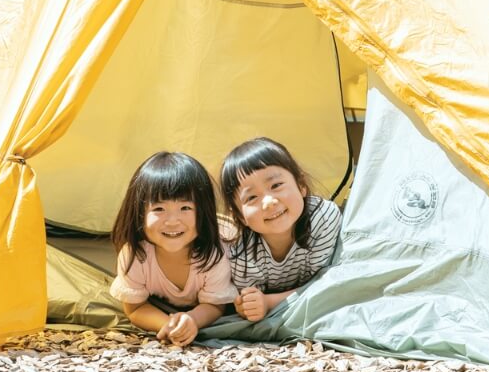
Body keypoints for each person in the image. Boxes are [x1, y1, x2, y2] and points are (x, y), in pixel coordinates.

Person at [110, 152, 237, 346]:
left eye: (185, 208)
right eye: (159, 209)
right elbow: (135, 309)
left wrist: (193, 320)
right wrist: (170, 325)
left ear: (203, 211)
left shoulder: (216, 253)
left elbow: (215, 305)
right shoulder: (134, 255)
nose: (172, 221)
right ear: (139, 214)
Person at [220, 137, 342, 322]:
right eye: (252, 197)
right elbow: (252, 301)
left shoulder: (322, 217)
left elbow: (327, 286)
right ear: (239, 215)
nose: (269, 202)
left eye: (276, 186)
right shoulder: (240, 251)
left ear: (301, 185)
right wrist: (250, 304)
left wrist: (269, 302)